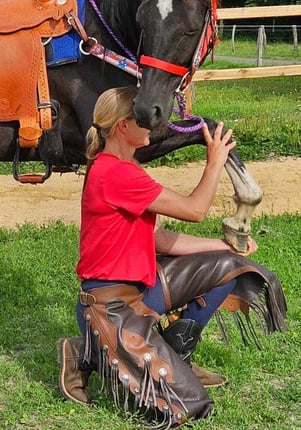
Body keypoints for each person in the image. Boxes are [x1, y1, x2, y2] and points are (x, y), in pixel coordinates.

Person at [57, 85, 259, 412]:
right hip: (110, 307)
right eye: (143, 118)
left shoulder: (127, 169)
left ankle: (177, 355)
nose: (152, 125)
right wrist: (214, 163)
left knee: (229, 265)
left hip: (141, 292)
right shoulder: (115, 174)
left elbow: (160, 241)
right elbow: (195, 210)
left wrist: (225, 247)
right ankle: (84, 352)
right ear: (123, 126)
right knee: (190, 404)